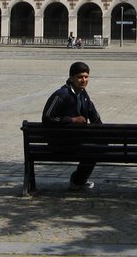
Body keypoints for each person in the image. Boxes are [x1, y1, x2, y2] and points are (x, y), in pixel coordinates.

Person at [42, 61, 103, 190]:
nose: (83, 80)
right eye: (80, 77)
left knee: (97, 146)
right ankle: (78, 180)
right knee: (93, 149)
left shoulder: (83, 95)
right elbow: (48, 117)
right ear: (71, 78)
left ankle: (78, 180)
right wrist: (72, 120)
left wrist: (101, 129)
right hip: (60, 142)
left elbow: (93, 114)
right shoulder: (61, 95)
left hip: (74, 140)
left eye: (86, 77)